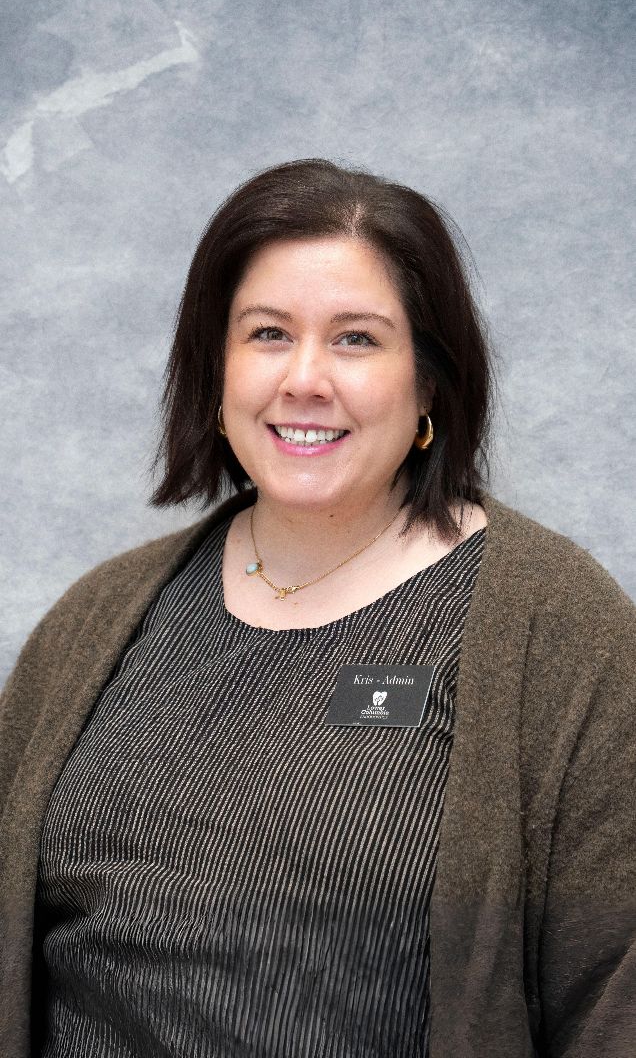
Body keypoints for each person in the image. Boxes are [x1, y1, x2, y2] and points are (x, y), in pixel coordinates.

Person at [0, 158, 634, 1058]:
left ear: (429, 385)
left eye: (356, 340)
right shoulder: (96, 621)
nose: (304, 379)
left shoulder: (556, 628)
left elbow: (619, 993)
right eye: (266, 334)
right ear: (214, 372)